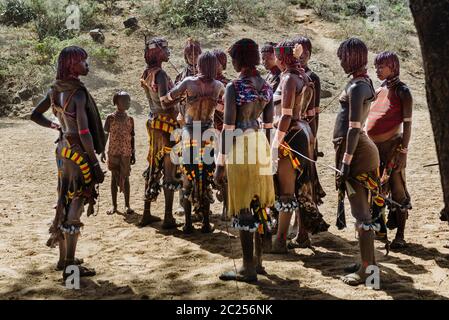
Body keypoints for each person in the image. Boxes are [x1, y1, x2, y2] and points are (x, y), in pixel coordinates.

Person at [30, 46, 105, 279]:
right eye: (83, 61)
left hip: (62, 150)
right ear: (72, 65)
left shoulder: (55, 91)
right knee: (78, 199)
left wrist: (56, 126)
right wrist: (94, 163)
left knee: (64, 197)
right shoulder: (78, 94)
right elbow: (83, 132)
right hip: (78, 153)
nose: (87, 64)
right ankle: (71, 266)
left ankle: (63, 260)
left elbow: (35, 115)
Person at [215, 38, 275, 282]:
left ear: (240, 59)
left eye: (233, 58)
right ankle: (259, 262)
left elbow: (228, 127)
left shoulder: (235, 87)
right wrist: (269, 153)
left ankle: (247, 268)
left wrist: (220, 163)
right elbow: (269, 125)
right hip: (260, 142)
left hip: (240, 145)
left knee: (242, 205)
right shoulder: (266, 86)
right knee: (259, 202)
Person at [270, 40, 329, 254]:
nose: (274, 59)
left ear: (283, 58)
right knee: (296, 188)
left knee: (287, 192)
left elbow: (286, 115)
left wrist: (276, 143)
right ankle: (290, 236)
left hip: (290, 136)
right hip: (301, 133)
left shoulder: (288, 79)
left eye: (277, 55)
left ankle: (280, 242)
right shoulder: (303, 76)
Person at [334, 38, 384, 286]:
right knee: (362, 212)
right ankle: (368, 263)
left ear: (352, 57)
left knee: (361, 214)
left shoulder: (357, 87)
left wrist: (345, 162)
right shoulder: (362, 82)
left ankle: (367, 272)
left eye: (343, 57)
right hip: (357, 151)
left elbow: (354, 129)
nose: (341, 62)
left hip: (357, 153)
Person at [163, 51, 225, 233]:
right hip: (208, 134)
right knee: (205, 177)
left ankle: (188, 223)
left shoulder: (188, 82)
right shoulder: (218, 85)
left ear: (199, 65)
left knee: (187, 177)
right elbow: (222, 106)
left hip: (189, 132)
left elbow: (168, 97)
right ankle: (206, 223)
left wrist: (181, 99)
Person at [366, 51, 413, 249]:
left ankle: (400, 235)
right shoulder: (379, 89)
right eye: (375, 66)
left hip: (393, 149)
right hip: (374, 150)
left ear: (393, 67)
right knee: (375, 190)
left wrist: (403, 152)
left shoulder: (403, 91)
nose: (377, 70)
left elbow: (407, 125)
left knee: (398, 190)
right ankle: (380, 229)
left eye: (381, 67)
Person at [139, 37, 181, 228]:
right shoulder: (161, 75)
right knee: (169, 170)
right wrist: (182, 94)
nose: (168, 52)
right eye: (165, 49)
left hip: (154, 123)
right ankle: (168, 217)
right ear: (158, 53)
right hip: (166, 125)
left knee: (153, 166)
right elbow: (165, 101)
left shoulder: (147, 72)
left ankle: (147, 213)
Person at [101, 91, 136, 215]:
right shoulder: (110, 118)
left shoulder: (130, 119)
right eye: (125, 101)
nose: (128, 103)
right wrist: (102, 151)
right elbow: (105, 136)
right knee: (113, 178)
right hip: (113, 152)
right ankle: (114, 206)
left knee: (126, 178)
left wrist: (134, 153)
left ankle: (127, 205)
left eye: (129, 101)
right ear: (116, 103)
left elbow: (132, 137)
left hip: (126, 153)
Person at [212, 48, 231, 220]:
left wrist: (212, 105)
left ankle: (226, 206)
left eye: (216, 62)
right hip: (203, 132)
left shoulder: (227, 84)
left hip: (220, 131)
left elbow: (228, 110)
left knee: (223, 170)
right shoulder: (202, 82)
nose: (213, 66)